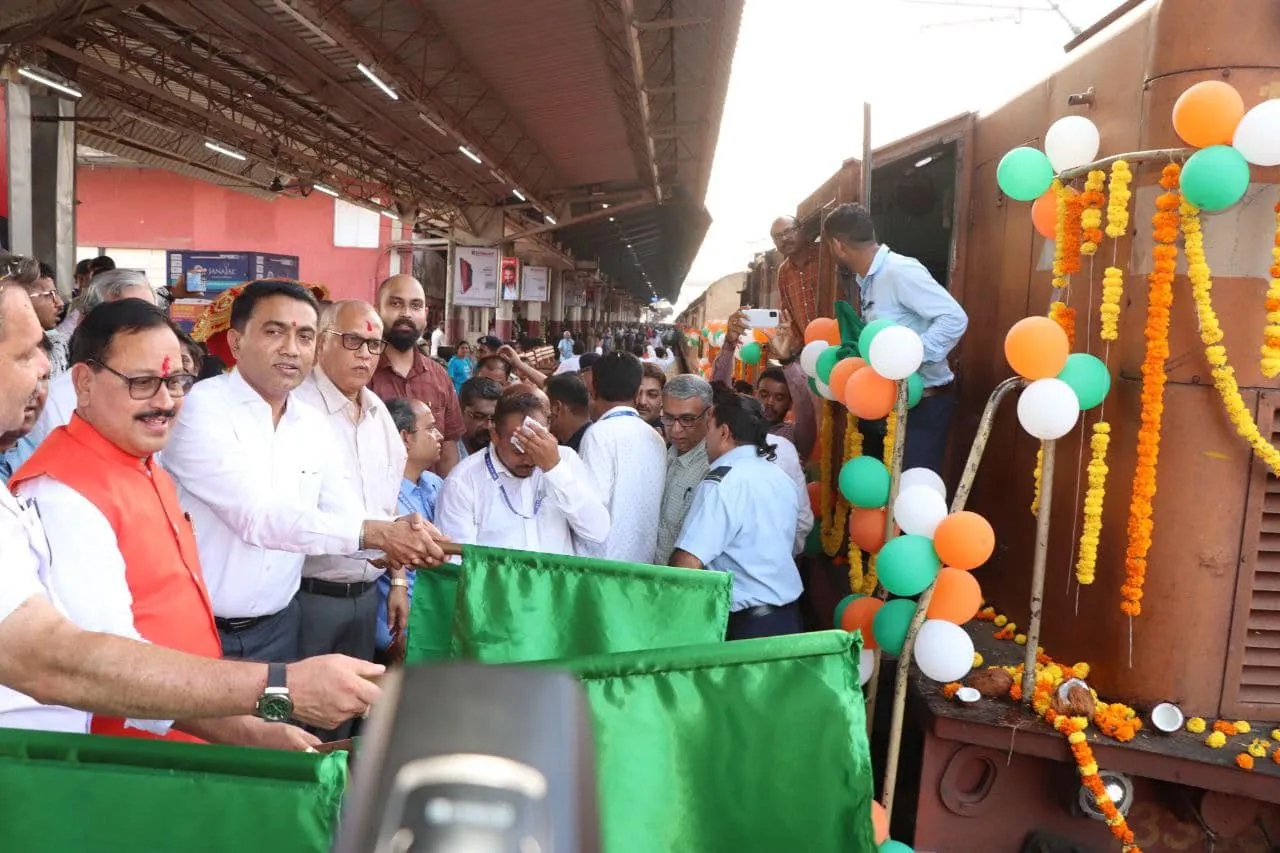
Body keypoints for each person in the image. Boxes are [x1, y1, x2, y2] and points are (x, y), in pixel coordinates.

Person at [0, 279, 384, 734]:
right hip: (127, 751)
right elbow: (89, 671)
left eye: (176, 381)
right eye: (143, 383)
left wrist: (247, 731)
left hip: (184, 717)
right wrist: (273, 694)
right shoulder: (64, 492)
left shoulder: (142, 465)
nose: (165, 402)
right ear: (84, 382)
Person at [164, 280, 447, 662]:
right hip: (201, 626)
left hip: (279, 626)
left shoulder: (309, 423)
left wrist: (402, 529)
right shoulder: (202, 408)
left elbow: (342, 507)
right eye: (274, 331)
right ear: (236, 342)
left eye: (304, 336)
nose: (291, 348)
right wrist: (379, 533)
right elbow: (257, 517)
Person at [292, 300, 407, 740]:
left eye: (374, 345)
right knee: (298, 721)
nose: (365, 354)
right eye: (353, 341)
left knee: (348, 718)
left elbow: (387, 509)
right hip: (308, 594)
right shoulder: (296, 409)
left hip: (365, 596)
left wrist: (398, 581)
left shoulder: (378, 413)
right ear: (322, 342)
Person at [822, 203, 968, 474]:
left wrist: (910, 358)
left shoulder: (899, 271)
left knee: (911, 490)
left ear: (837, 245)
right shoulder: (867, 279)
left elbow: (954, 318)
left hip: (925, 404)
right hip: (892, 406)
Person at [671, 389, 803, 640]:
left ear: (724, 432)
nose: (705, 440)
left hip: (745, 626)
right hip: (786, 619)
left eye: (708, 429)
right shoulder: (779, 477)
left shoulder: (722, 482)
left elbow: (687, 563)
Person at [435, 390, 609, 555]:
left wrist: (554, 469)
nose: (529, 459)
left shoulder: (565, 460)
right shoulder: (463, 480)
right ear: (495, 435)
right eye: (518, 450)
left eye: (536, 447)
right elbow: (458, 560)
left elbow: (597, 531)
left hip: (558, 577)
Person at [29, 269, 157, 446]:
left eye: (152, 318)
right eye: (129, 320)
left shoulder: (167, 395)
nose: (145, 331)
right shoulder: (55, 404)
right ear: (85, 321)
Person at [369, 275, 464, 476]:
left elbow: (448, 452)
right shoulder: (362, 374)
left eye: (415, 306)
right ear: (377, 310)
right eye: (396, 304)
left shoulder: (439, 377)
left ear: (425, 314)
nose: (406, 313)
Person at [578, 351, 666, 564]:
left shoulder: (598, 434)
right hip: (643, 564)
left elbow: (592, 511)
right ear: (636, 393)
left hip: (604, 566)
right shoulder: (656, 438)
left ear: (593, 390)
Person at [378, 398, 443, 663]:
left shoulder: (437, 484)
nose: (440, 435)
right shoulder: (381, 491)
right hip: (398, 630)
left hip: (438, 618)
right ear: (405, 438)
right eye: (430, 428)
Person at [713, 309, 817, 459]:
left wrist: (787, 360)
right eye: (764, 394)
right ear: (755, 394)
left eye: (779, 397)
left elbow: (805, 406)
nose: (770, 402)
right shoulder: (737, 426)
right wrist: (729, 343)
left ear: (790, 403)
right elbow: (719, 394)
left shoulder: (795, 436)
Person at [770, 215, 821, 338]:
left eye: (788, 231)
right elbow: (788, 314)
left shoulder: (825, 254)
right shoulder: (783, 272)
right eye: (777, 236)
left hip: (841, 342)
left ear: (801, 229)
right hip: (808, 346)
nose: (784, 238)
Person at [457, 376, 501, 461]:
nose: (488, 426)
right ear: (460, 412)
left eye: (494, 418)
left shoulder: (503, 452)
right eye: (479, 417)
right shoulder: (446, 451)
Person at [545, 372, 592, 452]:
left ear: (556, 408)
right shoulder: (596, 438)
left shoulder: (586, 449)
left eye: (543, 405)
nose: (541, 412)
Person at [636, 362, 666, 432]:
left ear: (663, 400)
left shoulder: (672, 435)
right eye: (637, 394)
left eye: (652, 395)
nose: (642, 402)